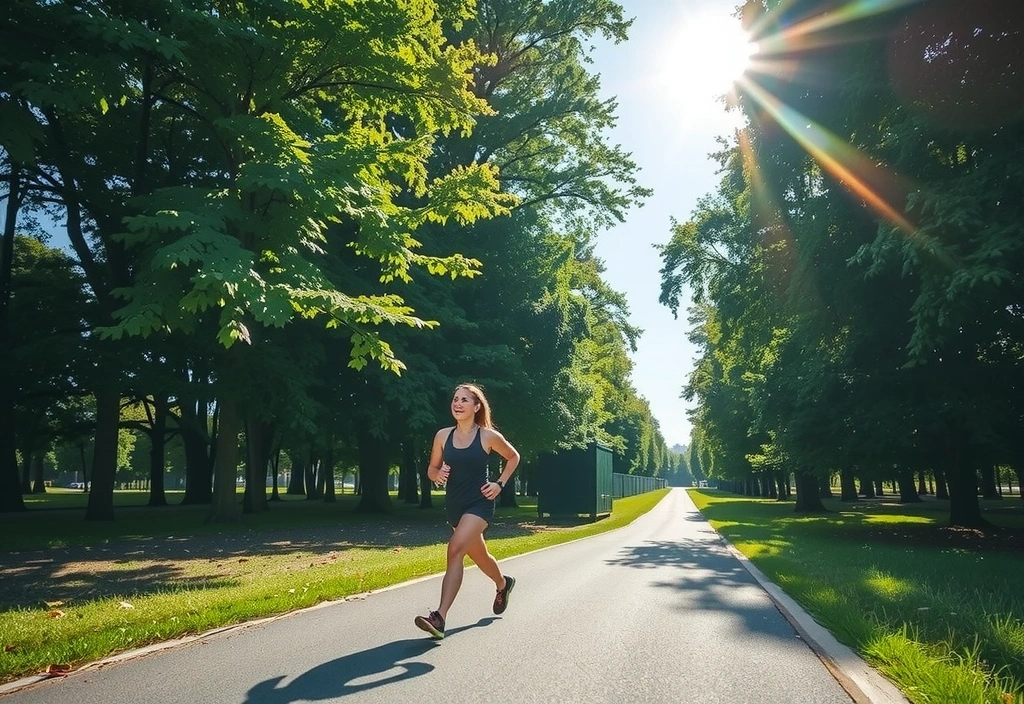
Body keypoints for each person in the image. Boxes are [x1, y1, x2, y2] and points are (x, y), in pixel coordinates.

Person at [414, 383, 521, 639]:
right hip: (455, 504)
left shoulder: (487, 436)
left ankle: (439, 617)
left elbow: (513, 456)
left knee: (455, 549)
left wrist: (499, 484)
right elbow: (432, 469)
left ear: (476, 406)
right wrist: (437, 474)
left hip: (479, 503)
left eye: (464, 400)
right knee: (480, 556)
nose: (458, 403)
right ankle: (503, 584)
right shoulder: (442, 435)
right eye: (455, 399)